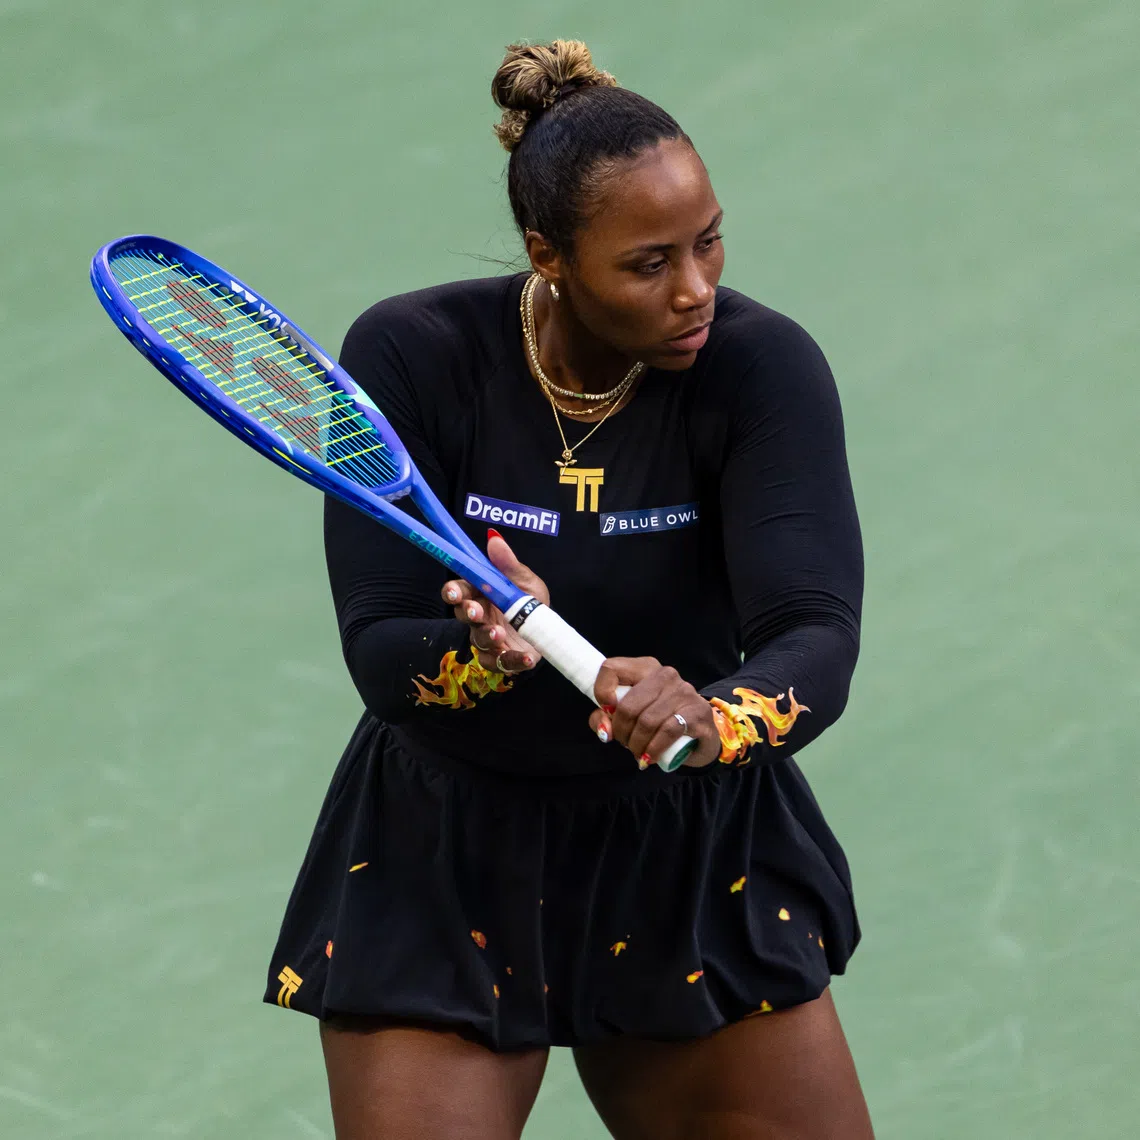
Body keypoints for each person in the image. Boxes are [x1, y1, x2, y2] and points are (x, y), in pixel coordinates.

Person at [265, 39, 873, 1140]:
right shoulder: (413, 357)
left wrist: (712, 713)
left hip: (689, 853)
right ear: (548, 254)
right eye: (648, 263)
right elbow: (378, 649)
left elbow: (814, 631)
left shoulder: (762, 370)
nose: (695, 289)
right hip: (446, 853)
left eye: (709, 241)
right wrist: (478, 655)